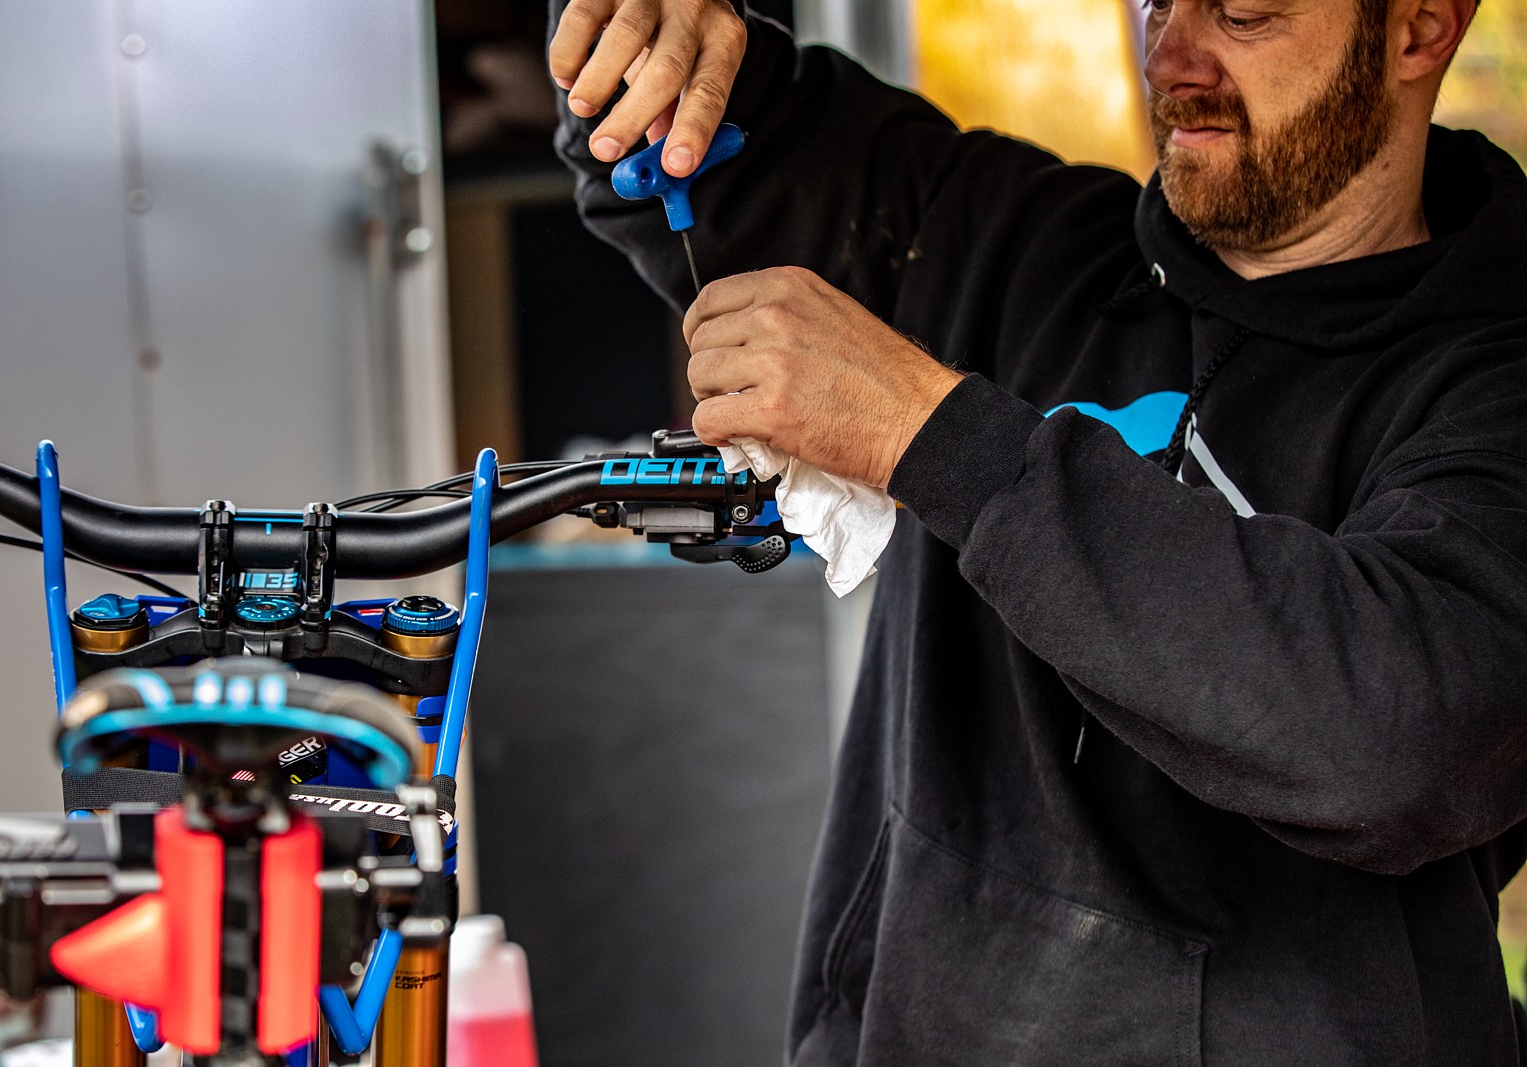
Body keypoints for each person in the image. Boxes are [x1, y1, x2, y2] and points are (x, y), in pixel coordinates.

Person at [548, 0, 1527, 1061]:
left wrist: (937, 436)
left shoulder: (1493, 387)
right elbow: (696, 118)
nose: (1174, 55)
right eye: (1155, 1)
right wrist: (642, 36)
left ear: (1418, 30)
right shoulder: (1007, 242)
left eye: (1241, 13)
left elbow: (1384, 737)